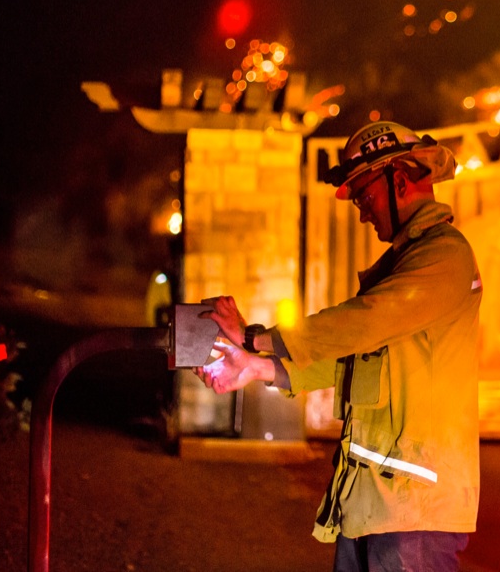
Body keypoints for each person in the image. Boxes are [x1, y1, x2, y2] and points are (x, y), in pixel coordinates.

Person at [195, 121, 483, 572]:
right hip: (375, 502)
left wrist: (255, 336)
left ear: (400, 182)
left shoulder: (444, 256)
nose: (364, 214)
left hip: (415, 510)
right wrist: (257, 367)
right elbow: (355, 362)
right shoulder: (405, 264)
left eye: (365, 198)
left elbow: (361, 324)